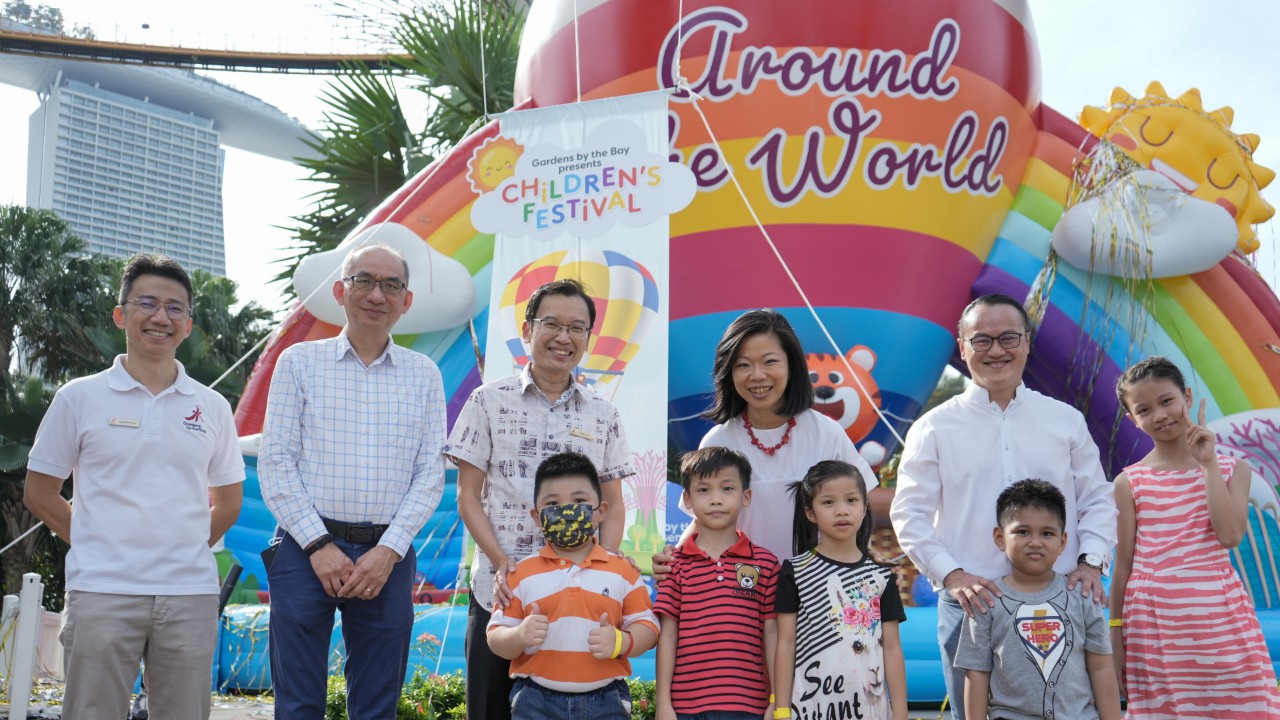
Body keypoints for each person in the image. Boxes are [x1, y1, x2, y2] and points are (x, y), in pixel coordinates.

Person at [23, 254, 244, 720]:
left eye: (175, 308)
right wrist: (96, 541)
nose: (160, 316)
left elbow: (228, 502)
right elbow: (39, 491)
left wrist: (180, 546)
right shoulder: (79, 397)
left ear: (187, 326)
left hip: (188, 594)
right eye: (147, 303)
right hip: (102, 588)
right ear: (121, 314)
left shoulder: (213, 407)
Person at [889, 293, 1117, 720]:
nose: (996, 350)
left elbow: (1097, 498)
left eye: (1008, 338)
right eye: (982, 340)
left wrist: (1090, 562)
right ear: (962, 348)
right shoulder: (933, 427)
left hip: (1059, 600)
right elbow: (909, 513)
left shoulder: (1064, 419)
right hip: (971, 603)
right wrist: (952, 575)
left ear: (1027, 343)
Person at [258, 243, 447, 720]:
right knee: (298, 704)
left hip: (388, 554)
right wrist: (319, 546)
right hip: (304, 550)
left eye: (391, 284)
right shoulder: (298, 363)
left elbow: (430, 475)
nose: (376, 294)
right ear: (341, 291)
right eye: (364, 280)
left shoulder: (424, 375)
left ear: (406, 301)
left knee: (377, 706)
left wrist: (389, 551)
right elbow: (276, 463)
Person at [445, 278, 635, 720]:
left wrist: (601, 568)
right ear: (528, 331)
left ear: (589, 337)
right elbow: (468, 497)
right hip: (502, 591)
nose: (564, 337)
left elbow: (614, 503)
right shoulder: (487, 401)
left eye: (577, 327)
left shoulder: (603, 414)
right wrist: (500, 561)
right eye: (551, 323)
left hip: (578, 601)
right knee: (490, 711)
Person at [1110, 357, 1280, 717]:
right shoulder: (1129, 482)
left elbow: (1230, 536)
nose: (1159, 414)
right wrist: (1116, 634)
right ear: (1132, 419)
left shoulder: (1235, 468)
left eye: (1167, 400)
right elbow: (1123, 565)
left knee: (1241, 705)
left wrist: (1209, 465)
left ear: (1187, 396)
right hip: (1153, 623)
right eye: (1144, 409)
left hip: (1219, 614)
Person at [656, 308, 875, 573]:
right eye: (743, 365)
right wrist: (673, 560)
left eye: (770, 361)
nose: (757, 375)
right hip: (741, 592)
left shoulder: (826, 433)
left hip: (815, 592)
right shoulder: (718, 440)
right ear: (728, 372)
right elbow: (702, 522)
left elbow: (858, 512)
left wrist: (869, 562)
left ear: (791, 365)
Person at [487, 452, 658, 719]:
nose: (567, 511)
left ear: (601, 511)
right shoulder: (519, 574)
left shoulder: (623, 570)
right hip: (535, 701)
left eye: (579, 501)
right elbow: (496, 637)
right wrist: (519, 635)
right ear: (536, 516)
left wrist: (622, 641)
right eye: (553, 503)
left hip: (607, 700)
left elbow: (648, 626)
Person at [954, 479, 1120, 720]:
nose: (1035, 541)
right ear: (1000, 538)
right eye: (1022, 531)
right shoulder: (985, 602)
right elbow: (977, 674)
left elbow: (1101, 667)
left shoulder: (1082, 596)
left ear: (1062, 542)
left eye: (1047, 533)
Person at [774, 460, 907, 720]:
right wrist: (780, 709)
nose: (841, 511)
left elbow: (891, 648)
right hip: (810, 709)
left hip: (872, 711)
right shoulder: (795, 571)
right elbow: (786, 643)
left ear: (865, 507)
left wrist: (900, 712)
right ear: (810, 513)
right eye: (828, 502)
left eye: (851, 500)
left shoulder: (883, 575)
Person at [654, 447, 779, 720]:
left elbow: (772, 635)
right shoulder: (674, 565)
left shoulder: (766, 563)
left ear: (746, 496)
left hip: (750, 706)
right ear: (687, 500)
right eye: (703, 490)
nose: (715, 500)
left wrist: (776, 700)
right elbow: (668, 635)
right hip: (686, 708)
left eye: (726, 489)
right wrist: (664, 704)